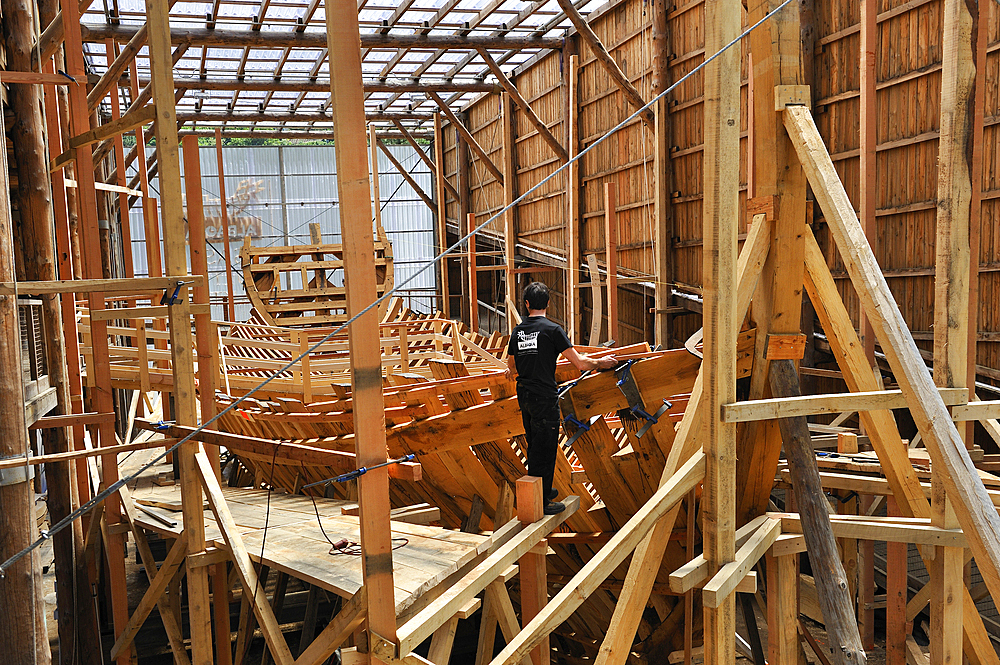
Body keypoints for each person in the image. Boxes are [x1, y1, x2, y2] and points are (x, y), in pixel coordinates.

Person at [505, 282, 617, 515]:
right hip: (544, 397)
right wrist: (600, 362)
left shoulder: (518, 332)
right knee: (545, 448)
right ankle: (542, 501)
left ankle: (543, 489)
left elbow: (511, 367)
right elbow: (579, 363)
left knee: (535, 443)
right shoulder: (552, 330)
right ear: (547, 303)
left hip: (524, 395)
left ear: (526, 304)